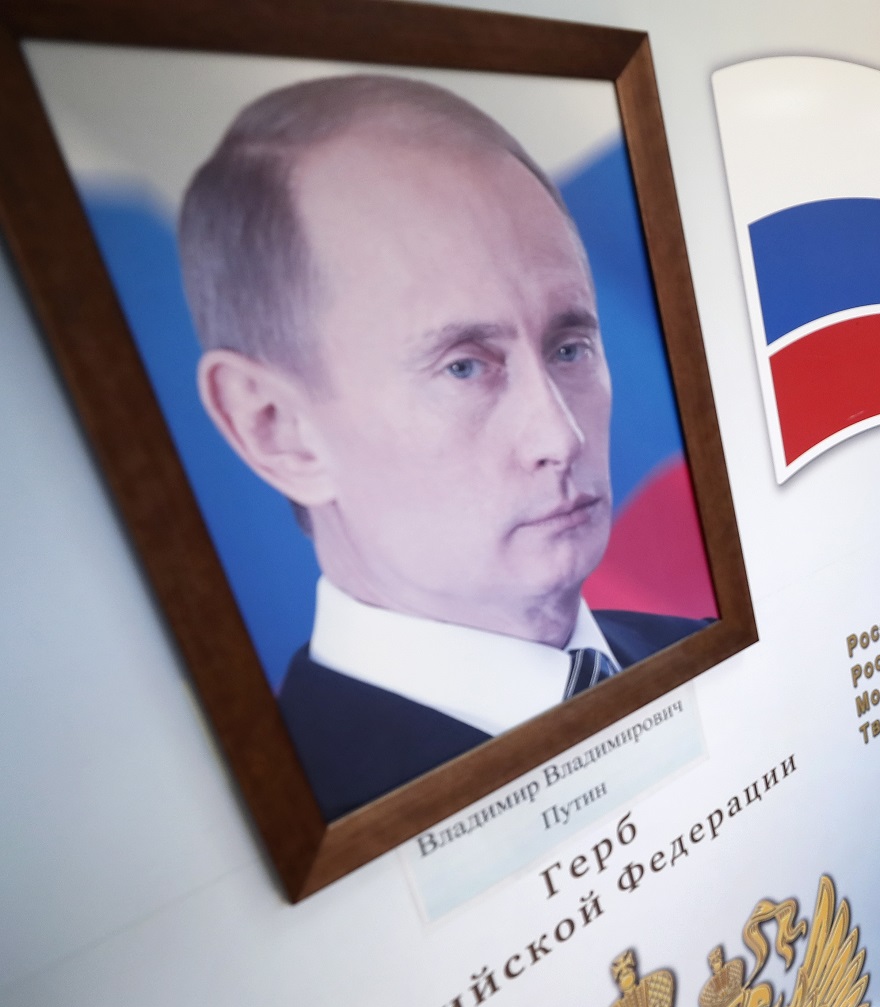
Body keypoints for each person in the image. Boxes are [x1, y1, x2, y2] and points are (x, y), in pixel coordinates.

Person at [181, 76, 706, 820]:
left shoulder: (714, 659)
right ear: (276, 427)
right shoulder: (281, 824)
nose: (562, 436)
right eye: (463, 366)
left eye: (569, 346)